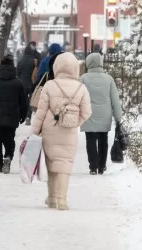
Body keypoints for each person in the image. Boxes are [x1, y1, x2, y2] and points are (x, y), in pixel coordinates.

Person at [31, 52, 92, 210]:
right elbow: (87, 112)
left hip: (50, 129)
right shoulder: (81, 87)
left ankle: (51, 198)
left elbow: (41, 112)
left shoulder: (50, 85)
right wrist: (74, 122)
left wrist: (35, 131)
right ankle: (62, 200)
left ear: (57, 67)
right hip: (69, 131)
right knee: (65, 164)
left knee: (51, 163)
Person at [80, 53, 122, 175]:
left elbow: (79, 97)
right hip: (105, 115)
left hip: (88, 114)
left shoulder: (83, 78)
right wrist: (118, 117)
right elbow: (115, 100)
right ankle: (102, 166)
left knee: (90, 140)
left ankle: (93, 166)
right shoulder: (109, 79)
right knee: (103, 140)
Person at [17, 45, 39, 125]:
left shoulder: (20, 60)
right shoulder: (34, 61)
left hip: (22, 83)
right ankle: (28, 117)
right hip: (31, 84)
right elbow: (36, 72)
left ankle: (21, 115)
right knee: (30, 100)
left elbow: (18, 73)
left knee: (23, 99)